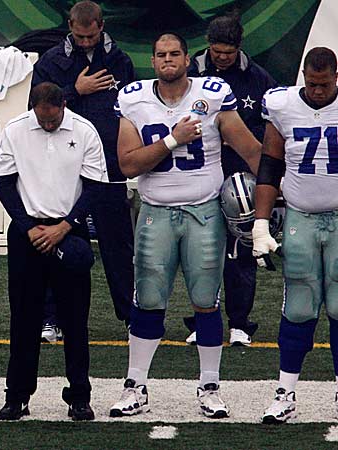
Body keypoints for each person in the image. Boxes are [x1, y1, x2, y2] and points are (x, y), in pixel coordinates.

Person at [109, 32, 261, 419]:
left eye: (174, 53)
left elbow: (251, 150)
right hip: (155, 211)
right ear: (153, 61)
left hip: (203, 212)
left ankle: (210, 387)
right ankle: (135, 385)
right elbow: (127, 164)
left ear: (187, 59)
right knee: (148, 301)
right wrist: (172, 141)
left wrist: (274, 201)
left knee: (206, 302)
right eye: (161, 54)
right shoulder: (133, 99)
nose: (168, 60)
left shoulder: (213, 96)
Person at [0, 82, 107, 421]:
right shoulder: (15, 130)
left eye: (53, 119)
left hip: (69, 232)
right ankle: (17, 396)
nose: (47, 124)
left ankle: (79, 396)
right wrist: (28, 227)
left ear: (63, 107)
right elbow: (3, 183)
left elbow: (95, 186)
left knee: (75, 320)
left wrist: (66, 226)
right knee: (23, 319)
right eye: (42, 119)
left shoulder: (84, 131)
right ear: (33, 108)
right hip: (27, 234)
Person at [31, 0, 135, 335]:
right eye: (80, 36)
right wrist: (74, 91)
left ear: (101, 26)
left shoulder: (120, 60)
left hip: (108, 166)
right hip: (62, 166)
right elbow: (36, 106)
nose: (86, 41)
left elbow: (132, 110)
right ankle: (51, 317)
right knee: (56, 242)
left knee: (118, 245)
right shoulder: (51, 61)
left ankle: (131, 316)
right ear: (70, 27)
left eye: (91, 36)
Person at [255, 47, 338, 424]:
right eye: (312, 83)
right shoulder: (282, 105)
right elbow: (270, 165)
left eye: (324, 85)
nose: (317, 91)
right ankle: (285, 392)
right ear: (303, 75)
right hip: (300, 217)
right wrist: (260, 223)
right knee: (299, 307)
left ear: (336, 77)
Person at [183, 14, 278, 346]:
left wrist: (242, 138)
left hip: (242, 174)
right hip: (199, 172)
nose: (222, 57)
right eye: (217, 51)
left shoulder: (258, 77)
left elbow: (273, 126)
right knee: (202, 250)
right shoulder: (190, 72)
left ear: (239, 47)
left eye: (228, 52)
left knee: (241, 250)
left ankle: (239, 323)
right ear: (207, 44)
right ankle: (202, 319)